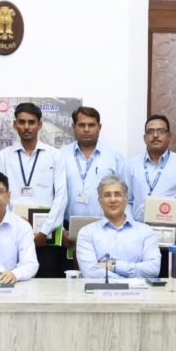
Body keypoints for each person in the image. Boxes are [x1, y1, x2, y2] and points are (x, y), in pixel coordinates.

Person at [0, 102, 67, 277]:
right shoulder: (4, 156)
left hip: (46, 237)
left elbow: (61, 196)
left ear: (39, 125)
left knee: (47, 286)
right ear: (14, 124)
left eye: (32, 122)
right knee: (13, 284)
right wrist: (15, 230)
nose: (26, 127)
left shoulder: (54, 155)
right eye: (22, 122)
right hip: (12, 236)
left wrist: (45, 230)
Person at [124, 114, 176, 252]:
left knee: (170, 273)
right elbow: (127, 202)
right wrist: (130, 229)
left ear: (169, 136)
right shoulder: (131, 165)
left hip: (173, 239)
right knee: (139, 273)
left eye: (161, 131)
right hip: (138, 238)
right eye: (150, 131)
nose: (155, 135)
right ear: (144, 137)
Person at [60, 106, 124, 257]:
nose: (86, 129)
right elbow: (53, 195)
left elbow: (125, 196)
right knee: (70, 275)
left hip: (106, 227)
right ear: (74, 127)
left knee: (102, 274)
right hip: (68, 229)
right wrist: (60, 231)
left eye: (91, 125)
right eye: (82, 125)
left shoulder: (114, 157)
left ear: (99, 127)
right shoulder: (60, 156)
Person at [76, 175, 160, 279]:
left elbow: (153, 269)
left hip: (139, 294)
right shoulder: (87, 233)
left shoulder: (146, 231)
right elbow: (90, 273)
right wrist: (129, 280)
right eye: (107, 195)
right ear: (100, 201)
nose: (113, 200)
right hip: (99, 293)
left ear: (126, 198)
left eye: (117, 194)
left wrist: (113, 266)